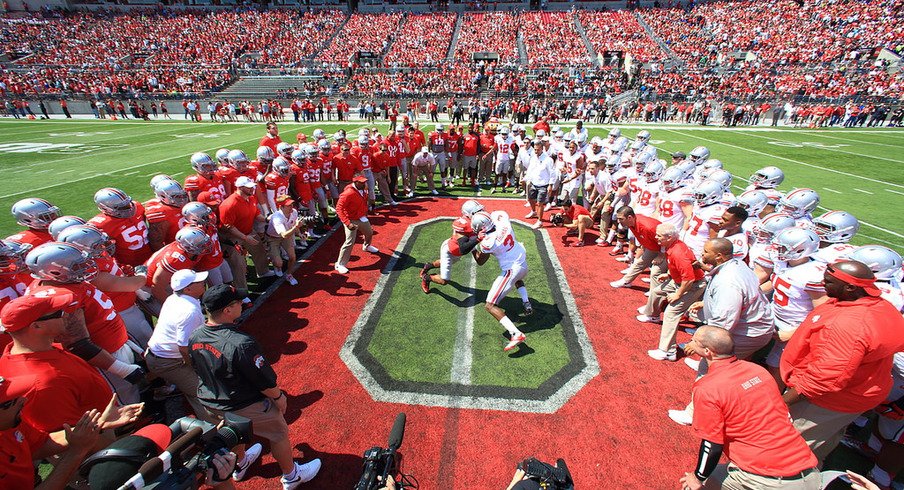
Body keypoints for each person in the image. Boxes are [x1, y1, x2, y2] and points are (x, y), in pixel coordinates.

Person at [189, 285, 322, 487]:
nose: (241, 303)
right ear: (227, 310)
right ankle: (292, 475)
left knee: (232, 432)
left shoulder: (195, 335)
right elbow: (264, 380)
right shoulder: (240, 343)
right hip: (241, 403)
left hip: (211, 402)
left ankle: (240, 464)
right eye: (237, 302)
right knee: (278, 434)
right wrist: (278, 397)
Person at [781, 260, 904, 463]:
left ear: (850, 287)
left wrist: (783, 402)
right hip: (855, 394)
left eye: (829, 281)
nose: (822, 283)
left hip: (824, 401)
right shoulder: (878, 305)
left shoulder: (849, 325)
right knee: (822, 441)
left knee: (789, 450)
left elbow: (823, 378)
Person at [677, 327, 821, 490]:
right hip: (808, 473)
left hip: (767, 479)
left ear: (707, 351)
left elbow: (712, 443)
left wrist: (697, 478)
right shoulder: (758, 371)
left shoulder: (708, 388)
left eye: (694, 341)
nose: (690, 343)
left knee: (703, 483)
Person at [0, 293, 143, 433]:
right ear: (37, 327)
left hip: (109, 420)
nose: (68, 314)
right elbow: (68, 438)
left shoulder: (35, 350)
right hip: (105, 439)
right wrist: (105, 426)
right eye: (59, 312)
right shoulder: (43, 383)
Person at [0, 376, 105, 489]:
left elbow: (41, 444)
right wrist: (76, 452)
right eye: (12, 400)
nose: (24, 400)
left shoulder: (10, 424)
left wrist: (98, 422)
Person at [145, 269, 217, 423]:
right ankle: (215, 433)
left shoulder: (174, 298)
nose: (203, 283)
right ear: (188, 289)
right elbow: (183, 347)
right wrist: (193, 366)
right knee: (203, 392)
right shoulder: (189, 311)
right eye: (198, 282)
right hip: (169, 362)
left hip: (158, 355)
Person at [639, 223, 706, 361]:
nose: (656, 237)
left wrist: (678, 294)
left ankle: (668, 351)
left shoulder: (678, 252)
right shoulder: (674, 245)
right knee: (657, 292)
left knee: (671, 313)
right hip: (679, 281)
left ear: (669, 237)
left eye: (659, 235)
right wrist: (670, 275)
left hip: (692, 285)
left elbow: (689, 279)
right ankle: (653, 315)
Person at [471, 210, 532, 352]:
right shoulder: (502, 219)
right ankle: (526, 302)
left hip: (512, 269)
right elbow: (496, 218)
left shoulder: (487, 242)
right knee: (517, 280)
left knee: (490, 305)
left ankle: (516, 333)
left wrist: (473, 246)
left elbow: (480, 261)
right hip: (522, 261)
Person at [219, 177, 272, 289]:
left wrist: (267, 219)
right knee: (238, 265)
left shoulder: (251, 199)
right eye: (249, 187)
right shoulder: (229, 204)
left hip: (248, 231)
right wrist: (245, 237)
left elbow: (257, 215)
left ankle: (263, 271)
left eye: (252, 186)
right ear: (240, 188)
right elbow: (229, 227)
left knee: (260, 250)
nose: (252, 189)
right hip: (232, 238)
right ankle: (241, 290)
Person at [421, 200, 482, 293]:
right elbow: (463, 248)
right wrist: (478, 239)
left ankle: (428, 265)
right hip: (450, 249)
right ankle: (427, 278)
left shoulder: (476, 220)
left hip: (462, 249)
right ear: (468, 214)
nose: (480, 213)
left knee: (444, 262)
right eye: (477, 212)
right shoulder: (463, 224)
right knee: (444, 280)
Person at [610, 206, 663, 287]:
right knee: (639, 263)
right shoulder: (631, 222)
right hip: (654, 246)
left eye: (621, 219)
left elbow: (665, 243)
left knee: (657, 271)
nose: (618, 221)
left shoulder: (648, 227)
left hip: (667, 250)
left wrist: (661, 255)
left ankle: (658, 292)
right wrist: (644, 245)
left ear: (630, 217)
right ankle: (626, 281)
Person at [335, 176, 379, 274]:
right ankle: (340, 264)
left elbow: (363, 202)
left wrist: (365, 212)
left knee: (369, 232)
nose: (364, 184)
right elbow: (339, 208)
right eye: (362, 183)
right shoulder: (348, 193)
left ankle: (366, 246)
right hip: (350, 220)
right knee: (349, 241)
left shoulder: (363, 190)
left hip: (361, 217)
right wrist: (347, 223)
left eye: (365, 182)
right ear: (356, 183)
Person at [265, 195, 302, 286]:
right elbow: (284, 234)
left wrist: (300, 234)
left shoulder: (294, 212)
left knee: (292, 257)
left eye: (291, 204)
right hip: (273, 238)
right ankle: (275, 264)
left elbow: (293, 225)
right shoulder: (277, 217)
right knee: (279, 263)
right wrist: (296, 227)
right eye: (288, 205)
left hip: (286, 235)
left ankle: (289, 274)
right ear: (281, 207)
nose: (291, 207)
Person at [523, 139, 556, 230]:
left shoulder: (548, 160)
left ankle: (540, 221)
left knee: (540, 203)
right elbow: (530, 169)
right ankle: (533, 211)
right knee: (530, 198)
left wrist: (550, 185)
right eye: (535, 149)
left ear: (542, 148)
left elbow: (552, 173)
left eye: (538, 149)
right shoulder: (534, 157)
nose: (536, 151)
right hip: (534, 182)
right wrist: (525, 179)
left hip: (543, 184)